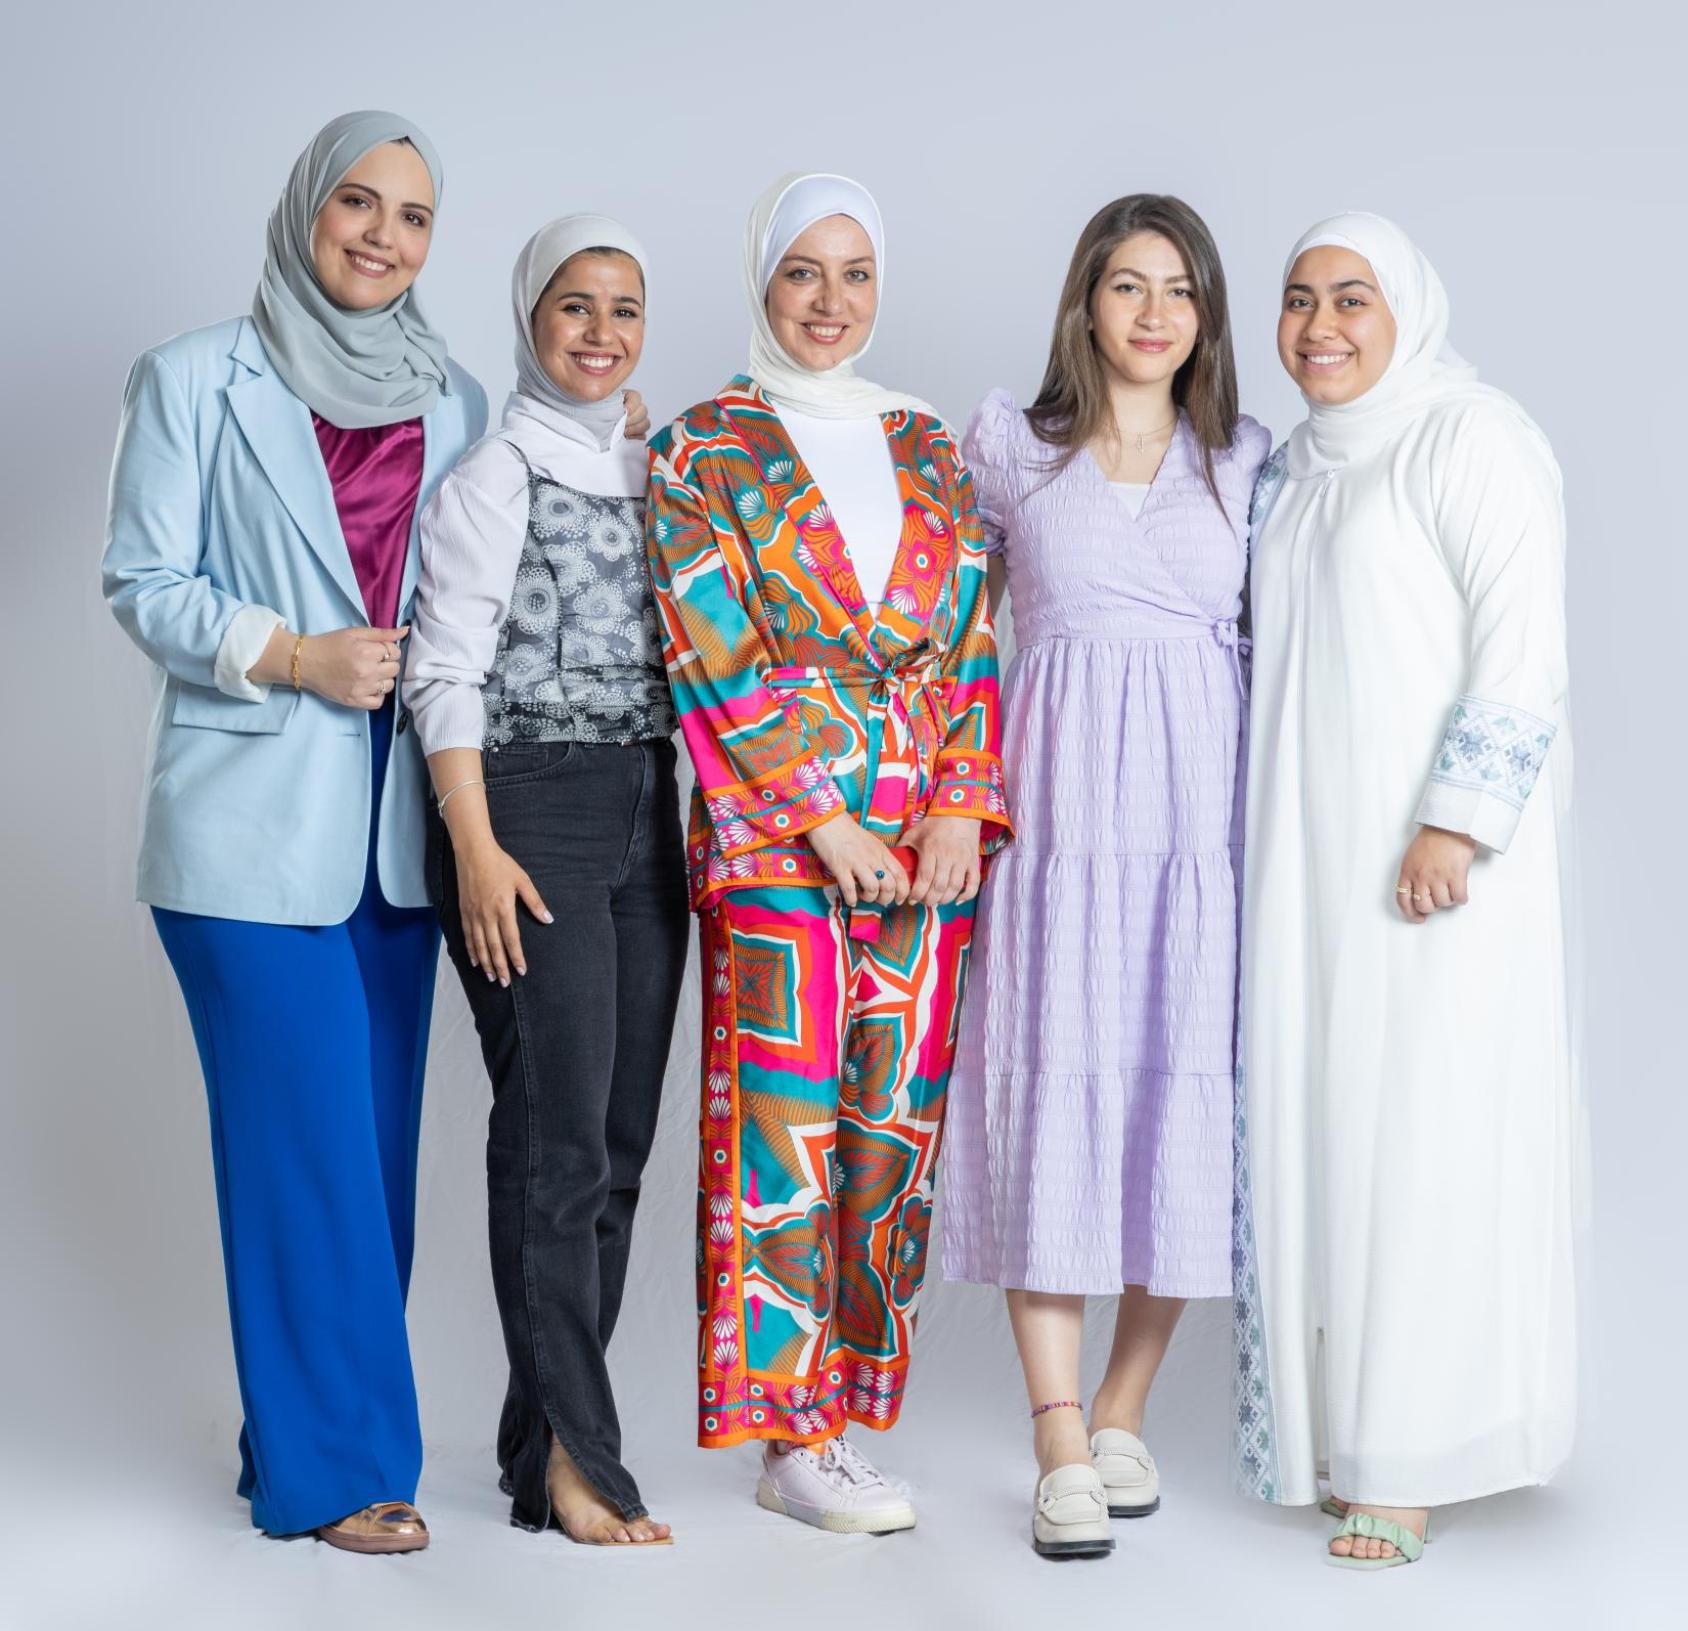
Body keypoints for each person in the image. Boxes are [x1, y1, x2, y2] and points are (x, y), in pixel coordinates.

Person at [101, 111, 486, 1551]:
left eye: (414, 216)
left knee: (373, 1155)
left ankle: (292, 1438)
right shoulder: (195, 377)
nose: (383, 236)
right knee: (309, 1145)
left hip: (396, 840)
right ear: (307, 210)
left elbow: (481, 580)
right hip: (245, 830)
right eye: (359, 204)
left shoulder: (453, 397)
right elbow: (141, 578)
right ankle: (340, 1473)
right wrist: (289, 651)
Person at [645, 172, 1010, 1534]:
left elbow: (974, 640)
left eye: (855, 273)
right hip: (781, 831)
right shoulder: (701, 448)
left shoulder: (927, 445)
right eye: (805, 271)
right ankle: (789, 1436)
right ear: (761, 279)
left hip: (927, 842)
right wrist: (827, 818)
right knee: (784, 1135)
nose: (830, 301)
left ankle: (851, 1414)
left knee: (891, 1132)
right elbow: (707, 647)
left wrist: (960, 805)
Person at [1235, 211, 1579, 1569]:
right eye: (1300, 297)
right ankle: (1347, 1426)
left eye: (1353, 298)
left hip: (1434, 874)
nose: (1321, 326)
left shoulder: (1469, 436)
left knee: (1427, 1134)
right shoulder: (1294, 472)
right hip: (1306, 862)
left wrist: (1456, 823)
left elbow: (1520, 642)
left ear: (1408, 311)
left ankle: (1420, 1445)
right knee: (1335, 1127)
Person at [942, 194, 1269, 1557]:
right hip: (1060, 824)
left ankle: (1125, 1406)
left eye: (1178, 290)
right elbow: (947, 636)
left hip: (1203, 828)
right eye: (1127, 286)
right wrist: (956, 800)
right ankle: (1058, 1433)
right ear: (1086, 302)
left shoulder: (1247, 458)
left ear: (1206, 317)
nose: (1152, 314)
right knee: (1047, 1095)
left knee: (1183, 1106)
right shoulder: (1011, 448)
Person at [403, 214, 683, 1547]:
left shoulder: (652, 468)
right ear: (529, 317)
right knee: (558, 1140)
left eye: (622, 308)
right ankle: (582, 1458)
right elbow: (440, 667)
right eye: (574, 305)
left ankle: (534, 1446)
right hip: (525, 806)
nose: (599, 331)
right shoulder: (494, 477)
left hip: (646, 808)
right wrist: (475, 845)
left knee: (618, 1148)